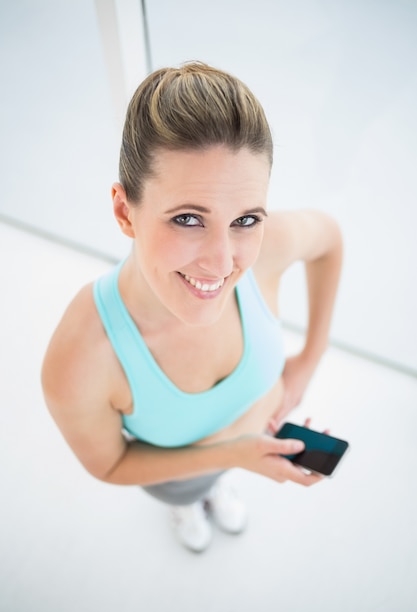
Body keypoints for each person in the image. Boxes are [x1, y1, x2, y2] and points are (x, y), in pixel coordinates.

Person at [41, 62, 343, 553]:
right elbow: (111, 463)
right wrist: (234, 456)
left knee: (221, 477)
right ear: (124, 212)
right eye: (187, 218)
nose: (223, 263)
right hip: (177, 477)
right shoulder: (81, 358)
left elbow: (329, 240)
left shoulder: (265, 252)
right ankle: (189, 504)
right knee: (188, 491)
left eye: (245, 218)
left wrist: (312, 357)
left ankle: (221, 484)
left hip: (258, 439)